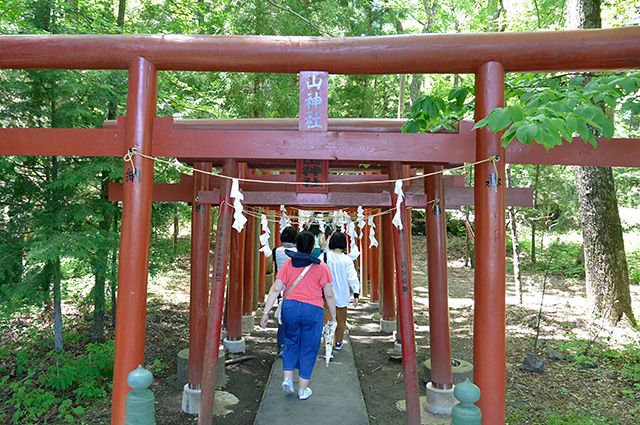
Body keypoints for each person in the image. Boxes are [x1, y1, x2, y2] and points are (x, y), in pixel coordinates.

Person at [261, 231, 337, 400]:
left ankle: (288, 378)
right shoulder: (321, 267)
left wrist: (266, 312)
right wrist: (333, 316)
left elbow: (275, 288)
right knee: (309, 347)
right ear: (312, 248)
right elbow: (329, 295)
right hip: (313, 309)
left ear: (297, 245)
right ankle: (303, 390)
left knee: (291, 341)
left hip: (291, 308)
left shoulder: (288, 264)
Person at [322, 231, 359, 351]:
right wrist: (356, 293)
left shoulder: (324, 257)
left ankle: (328, 343)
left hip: (327, 294)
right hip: (342, 294)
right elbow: (352, 277)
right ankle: (338, 341)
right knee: (341, 320)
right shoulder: (347, 260)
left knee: (327, 320)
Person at [272, 226, 298, 356]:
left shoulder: (276, 250)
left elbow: (276, 267)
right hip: (295, 287)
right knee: (295, 316)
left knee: (282, 315)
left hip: (281, 286)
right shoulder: (298, 251)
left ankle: (282, 344)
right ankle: (293, 343)